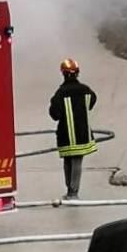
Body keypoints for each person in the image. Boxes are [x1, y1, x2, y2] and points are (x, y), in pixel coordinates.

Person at [49, 57, 97, 199]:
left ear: (63, 73)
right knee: (77, 161)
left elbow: (54, 114)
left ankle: (70, 191)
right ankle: (73, 192)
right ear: (77, 73)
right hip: (82, 134)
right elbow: (92, 101)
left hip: (66, 135)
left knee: (68, 161)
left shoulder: (60, 93)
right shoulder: (86, 90)